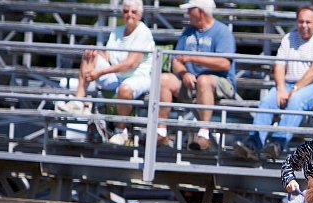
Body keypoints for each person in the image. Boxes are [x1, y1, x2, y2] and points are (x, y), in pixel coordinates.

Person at [233, 4, 313, 161]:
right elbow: (279, 66)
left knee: (296, 100)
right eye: (301, 22)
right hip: (289, 84)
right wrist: (281, 88)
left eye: (308, 22)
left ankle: (278, 143)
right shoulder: (289, 37)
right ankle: (253, 144)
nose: (304, 26)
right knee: (267, 101)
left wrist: (294, 88)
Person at [56, 0, 155, 146]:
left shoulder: (144, 32)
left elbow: (130, 64)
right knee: (89, 54)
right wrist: (94, 53)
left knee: (125, 89)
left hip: (137, 77)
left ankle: (120, 131)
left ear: (140, 14)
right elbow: (108, 55)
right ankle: (77, 101)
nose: (129, 15)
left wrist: (100, 72)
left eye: (133, 12)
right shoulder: (118, 31)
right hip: (117, 76)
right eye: (126, 11)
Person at [156, 0, 236, 150]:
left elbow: (224, 63)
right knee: (164, 79)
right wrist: (184, 72)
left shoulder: (222, 31)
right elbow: (176, 60)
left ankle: (204, 134)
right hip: (191, 83)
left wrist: (192, 58)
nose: (187, 13)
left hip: (220, 83)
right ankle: (161, 131)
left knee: (204, 81)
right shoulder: (188, 31)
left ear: (201, 11)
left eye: (191, 9)